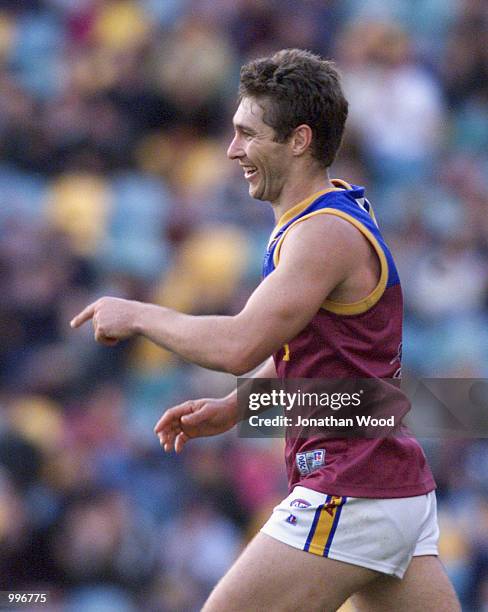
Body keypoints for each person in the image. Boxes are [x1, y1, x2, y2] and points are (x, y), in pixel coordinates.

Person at [71, 49, 460, 611]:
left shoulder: (322, 234)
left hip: (352, 485)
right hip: (390, 487)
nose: (233, 150)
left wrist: (138, 313)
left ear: (299, 140)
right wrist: (238, 407)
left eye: (247, 134)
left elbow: (238, 344)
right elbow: (332, 361)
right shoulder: (328, 216)